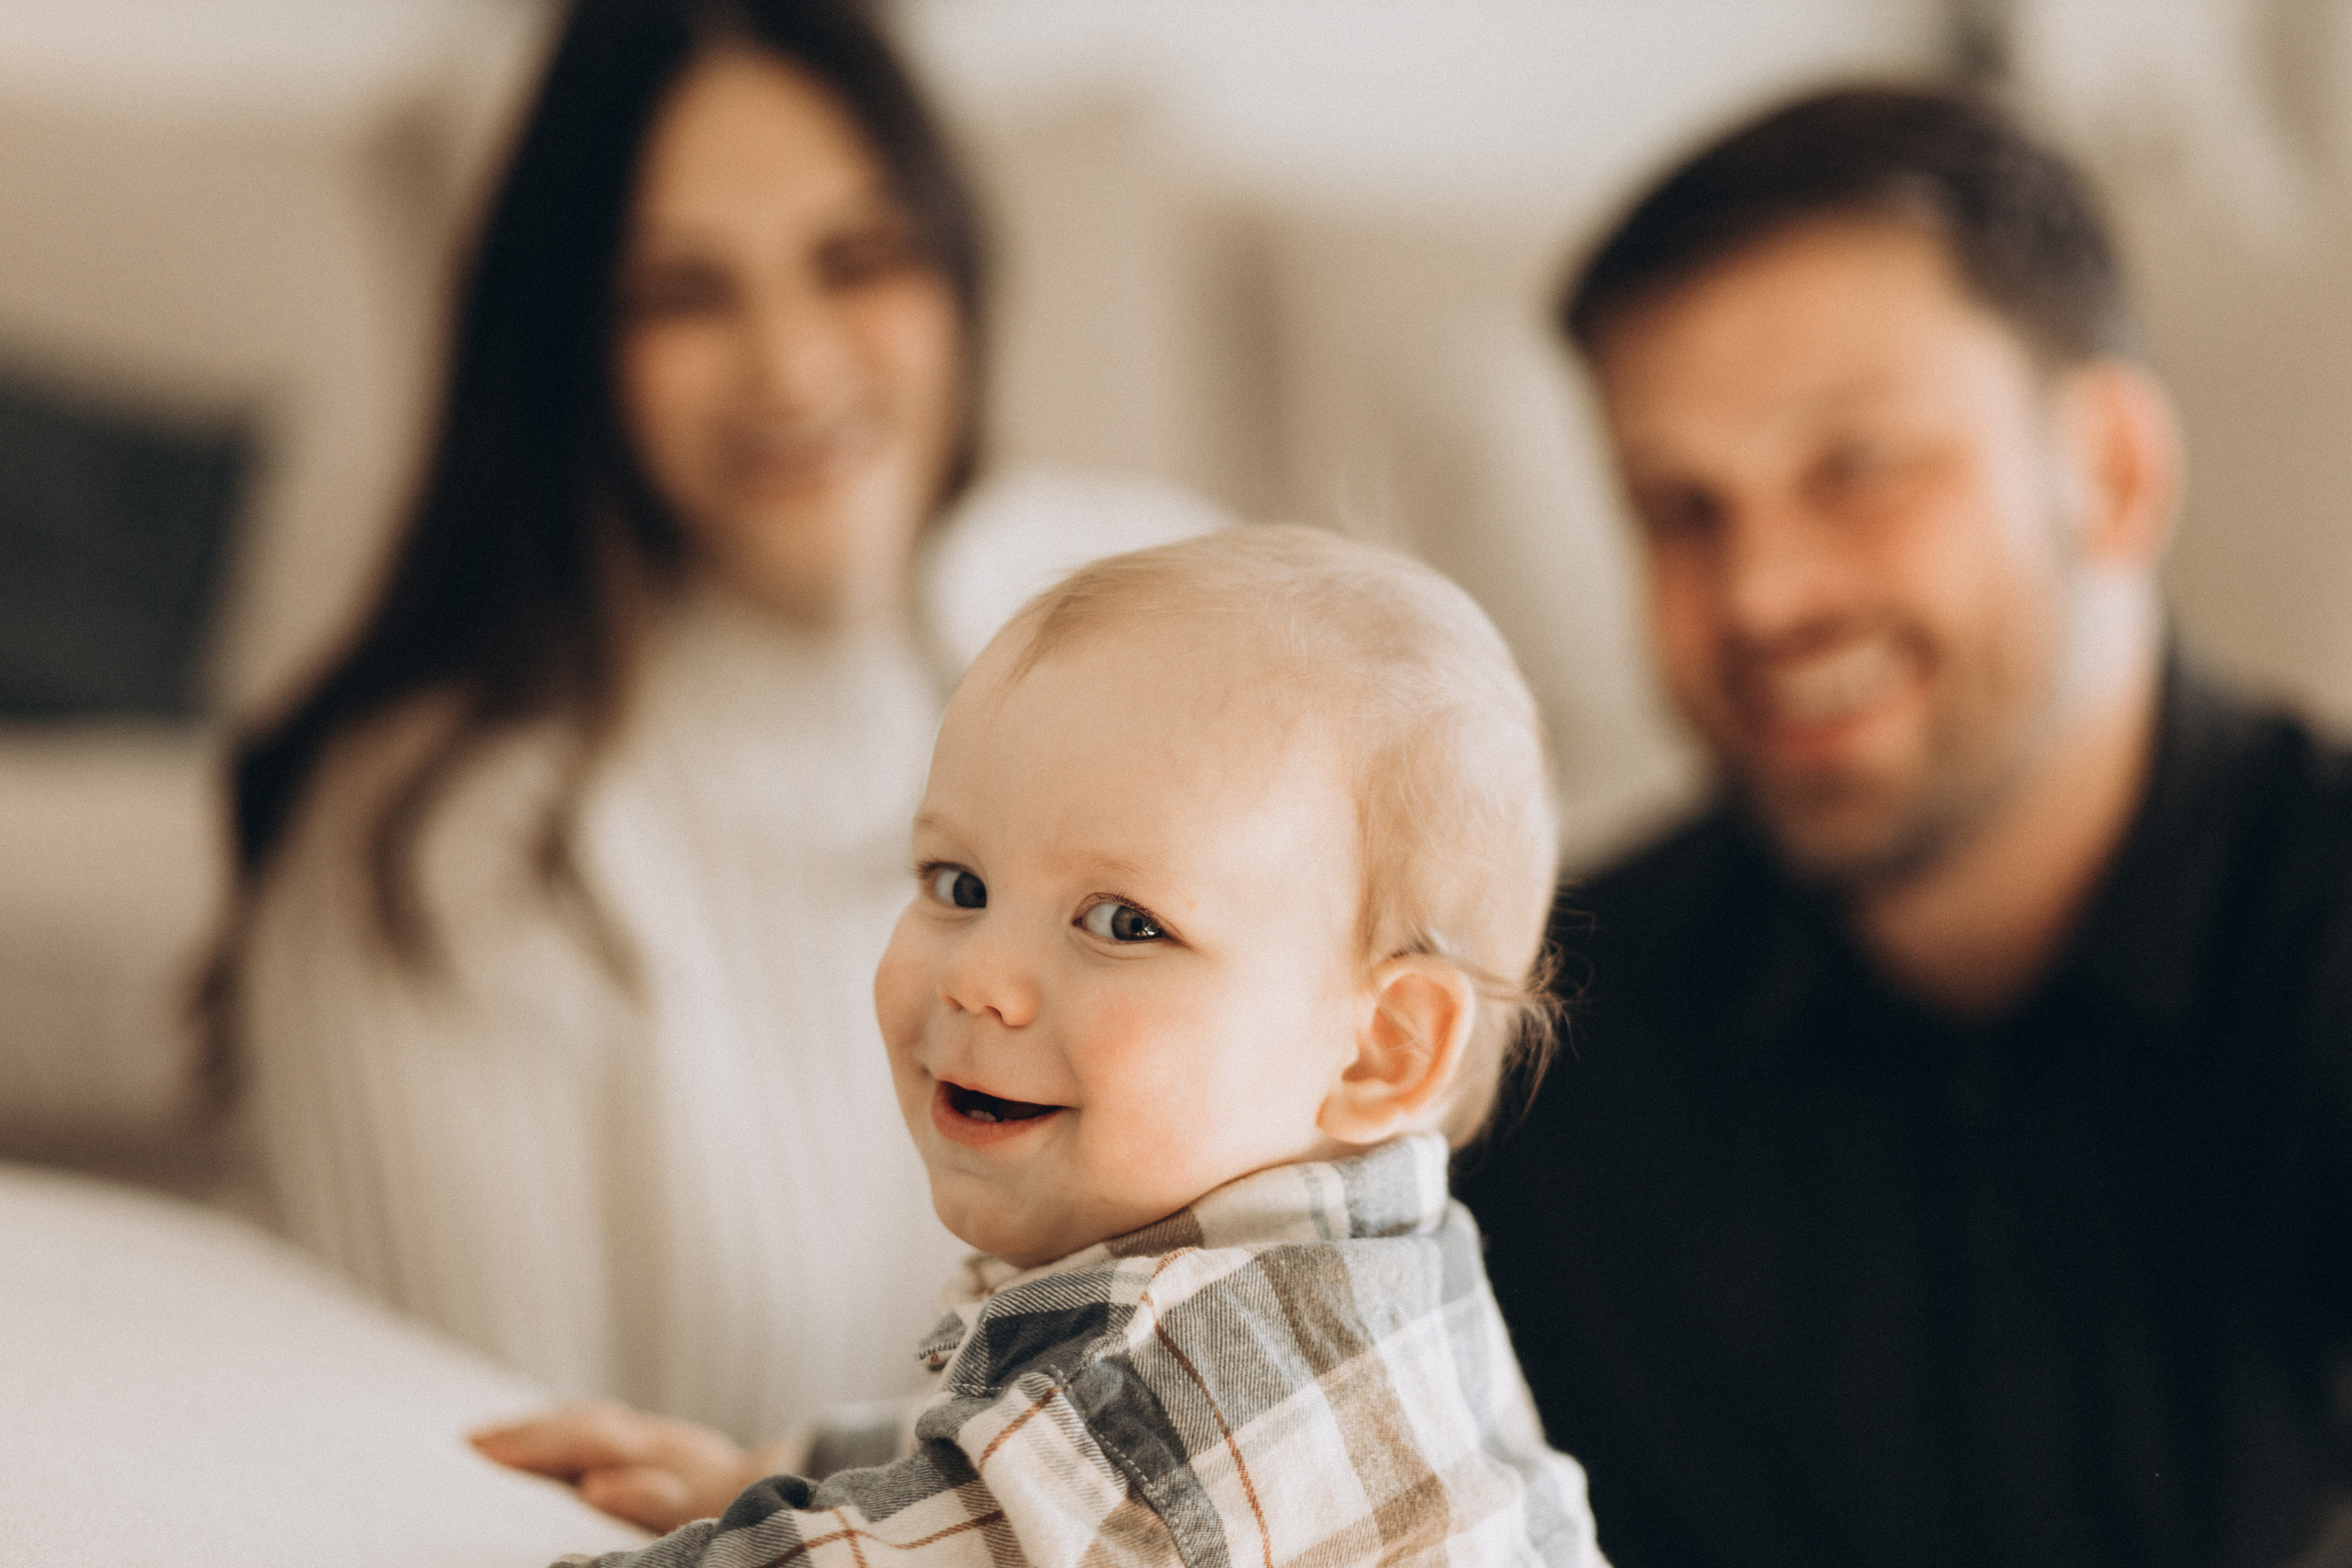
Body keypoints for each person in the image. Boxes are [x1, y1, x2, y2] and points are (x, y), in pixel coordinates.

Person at [209, 0, 1219, 1449]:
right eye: (682, 293)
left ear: (955, 272)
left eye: (855, 260)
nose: (793, 370)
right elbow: (486, 1502)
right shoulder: (433, 838)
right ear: (571, 346)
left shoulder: (1159, 603)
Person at [1459, 85, 2352, 1568]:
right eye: (1681, 509)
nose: (1761, 596)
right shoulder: (1536, 1042)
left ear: (2112, 472)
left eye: (1855, 467)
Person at [469, 526, 1606, 1568]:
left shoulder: (1167, 1385)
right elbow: (1011, 1451)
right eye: (957, 885)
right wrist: (770, 1476)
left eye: (1122, 923)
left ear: (1378, 1052)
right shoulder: (1370, 1274)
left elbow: (1077, 1470)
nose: (976, 977)